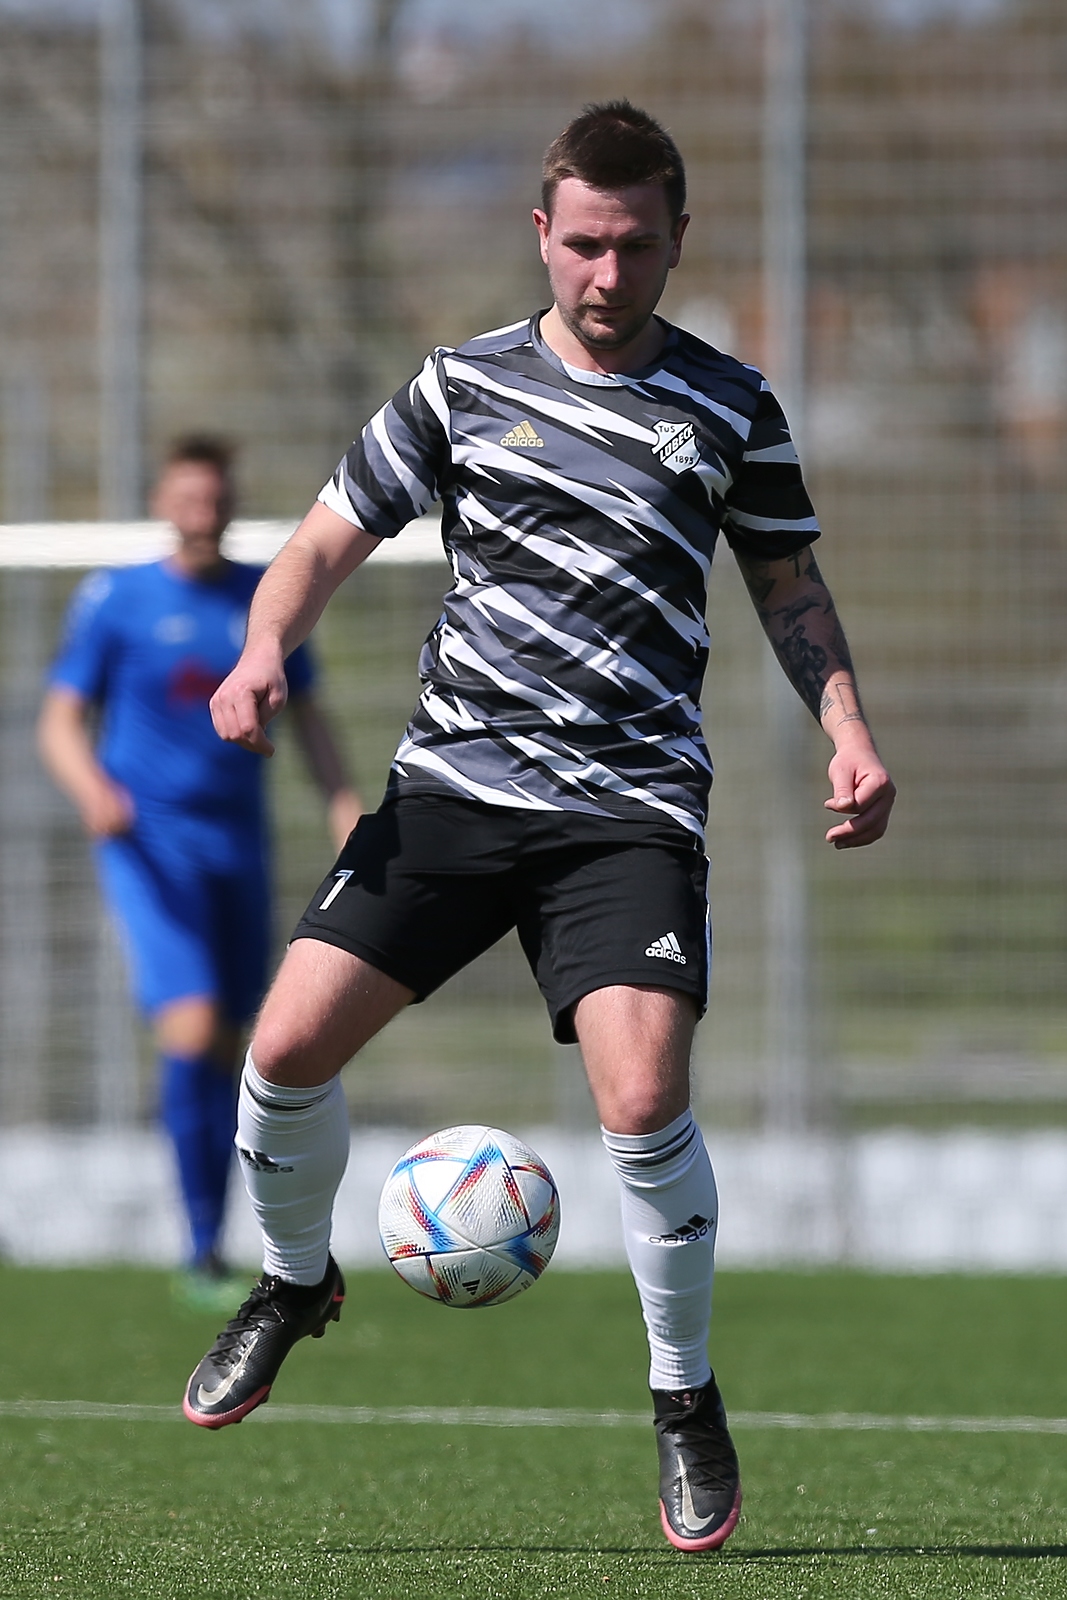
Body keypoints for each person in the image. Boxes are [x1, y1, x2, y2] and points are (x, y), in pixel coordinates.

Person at [181, 103, 895, 1551]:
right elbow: (324, 540)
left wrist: (846, 727)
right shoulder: (458, 387)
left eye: (634, 245)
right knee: (280, 1048)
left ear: (675, 239)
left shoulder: (730, 405)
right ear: (541, 233)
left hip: (625, 810)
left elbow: (786, 589)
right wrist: (261, 651)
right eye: (582, 243)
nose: (606, 272)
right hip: (451, 788)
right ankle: (287, 1279)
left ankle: (682, 1402)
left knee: (639, 1103)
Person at [37, 436, 362, 1307]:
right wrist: (93, 788)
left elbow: (312, 719)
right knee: (187, 1032)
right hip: (152, 852)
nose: (203, 513)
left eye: (215, 498)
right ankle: (196, 1249)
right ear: (163, 501)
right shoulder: (117, 600)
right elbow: (61, 720)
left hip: (237, 848)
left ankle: (222, 1242)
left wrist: (343, 807)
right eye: (188, 497)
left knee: (236, 1046)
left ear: (227, 502)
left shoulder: (261, 600)